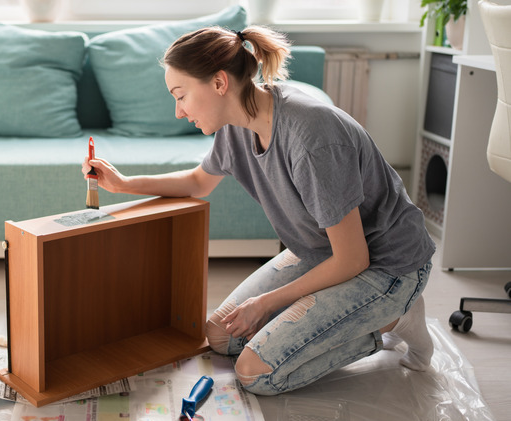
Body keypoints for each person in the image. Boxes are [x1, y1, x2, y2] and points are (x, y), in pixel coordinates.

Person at [81, 26, 436, 396]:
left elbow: (353, 259)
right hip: (321, 252)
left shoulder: (311, 135)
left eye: (181, 96)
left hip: (387, 265)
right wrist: (122, 183)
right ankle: (341, 316)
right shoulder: (236, 126)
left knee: (256, 374)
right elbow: (198, 183)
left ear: (219, 83)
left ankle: (395, 317)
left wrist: (265, 303)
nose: (178, 112)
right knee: (220, 335)